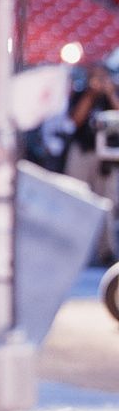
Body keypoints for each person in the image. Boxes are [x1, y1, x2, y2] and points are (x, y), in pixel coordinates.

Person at [64, 63, 119, 263]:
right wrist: (91, 94)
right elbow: (74, 120)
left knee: (107, 204)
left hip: (107, 156)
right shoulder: (81, 93)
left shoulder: (113, 93)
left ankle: (106, 251)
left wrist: (110, 92)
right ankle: (74, 248)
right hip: (83, 150)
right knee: (77, 197)